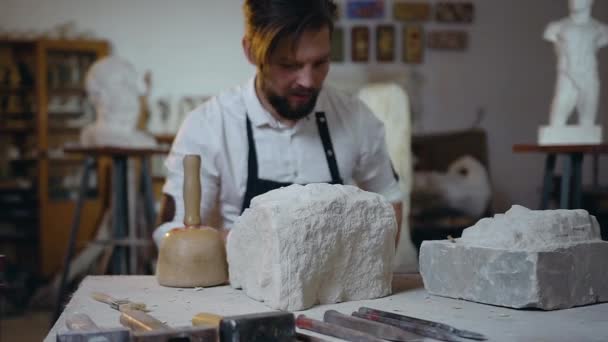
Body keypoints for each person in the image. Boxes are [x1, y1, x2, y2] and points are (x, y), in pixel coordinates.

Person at [153, 0, 403, 247]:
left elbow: (389, 199)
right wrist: (238, 244)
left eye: (320, 63)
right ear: (251, 51)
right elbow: (171, 233)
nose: (308, 81)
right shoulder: (208, 126)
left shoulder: (355, 117)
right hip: (238, 284)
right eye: (289, 65)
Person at [544, 0, 608, 126]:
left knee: (587, 124)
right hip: (567, 77)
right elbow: (551, 37)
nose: (574, 1)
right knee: (556, 122)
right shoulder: (556, 27)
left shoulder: (601, 29)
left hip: (589, 77)